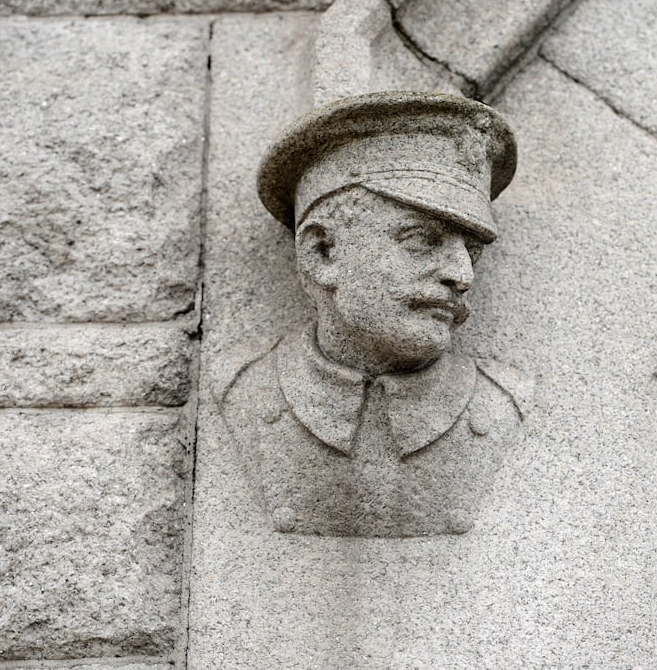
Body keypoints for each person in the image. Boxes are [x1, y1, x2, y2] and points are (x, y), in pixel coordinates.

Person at [220, 92, 532, 537]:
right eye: (421, 240)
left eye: (472, 251)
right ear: (322, 253)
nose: (462, 275)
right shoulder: (241, 388)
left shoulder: (503, 404)